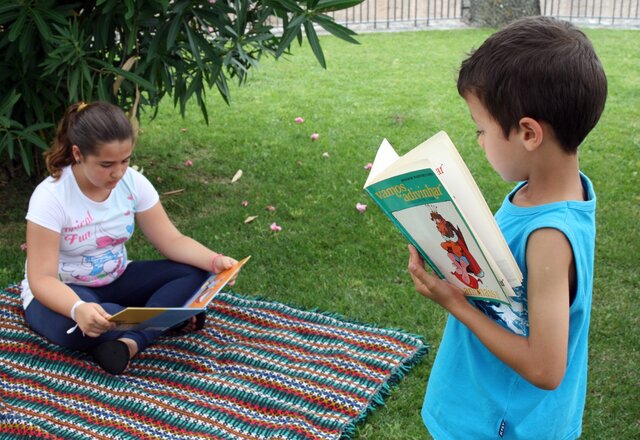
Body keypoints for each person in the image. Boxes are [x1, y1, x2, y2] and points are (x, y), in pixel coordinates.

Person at [408, 17, 607, 439]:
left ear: (528, 133)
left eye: (482, 129)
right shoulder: (537, 192)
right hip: (480, 400)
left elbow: (546, 368)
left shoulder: (550, 236)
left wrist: (457, 305)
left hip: (503, 424)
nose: (479, 141)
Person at [21, 101, 240, 375]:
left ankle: (130, 342)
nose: (118, 172)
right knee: (96, 322)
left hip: (118, 278)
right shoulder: (51, 197)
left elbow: (171, 240)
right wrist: (78, 309)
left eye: (125, 161)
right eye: (106, 164)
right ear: (78, 154)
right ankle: (161, 320)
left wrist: (215, 261)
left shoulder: (132, 182)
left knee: (196, 273)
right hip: (64, 292)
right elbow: (42, 279)